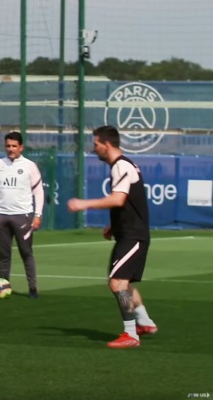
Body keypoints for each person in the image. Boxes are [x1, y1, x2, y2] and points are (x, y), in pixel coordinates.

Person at [67, 125, 158, 349]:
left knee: (117, 284)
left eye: (96, 144)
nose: (93, 148)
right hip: (129, 234)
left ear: (106, 145)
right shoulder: (123, 165)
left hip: (133, 237)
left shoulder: (121, 166)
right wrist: (114, 226)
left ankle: (130, 335)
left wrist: (83, 204)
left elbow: (118, 199)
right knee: (124, 283)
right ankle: (145, 323)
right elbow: (128, 203)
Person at [0, 131, 45, 298]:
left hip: (23, 216)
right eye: (8, 146)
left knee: (26, 253)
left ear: (21, 147)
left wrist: (37, 214)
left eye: (14, 146)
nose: (10, 149)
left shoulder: (29, 166)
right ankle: (3, 286)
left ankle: (32, 289)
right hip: (2, 215)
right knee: (4, 255)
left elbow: (38, 191)